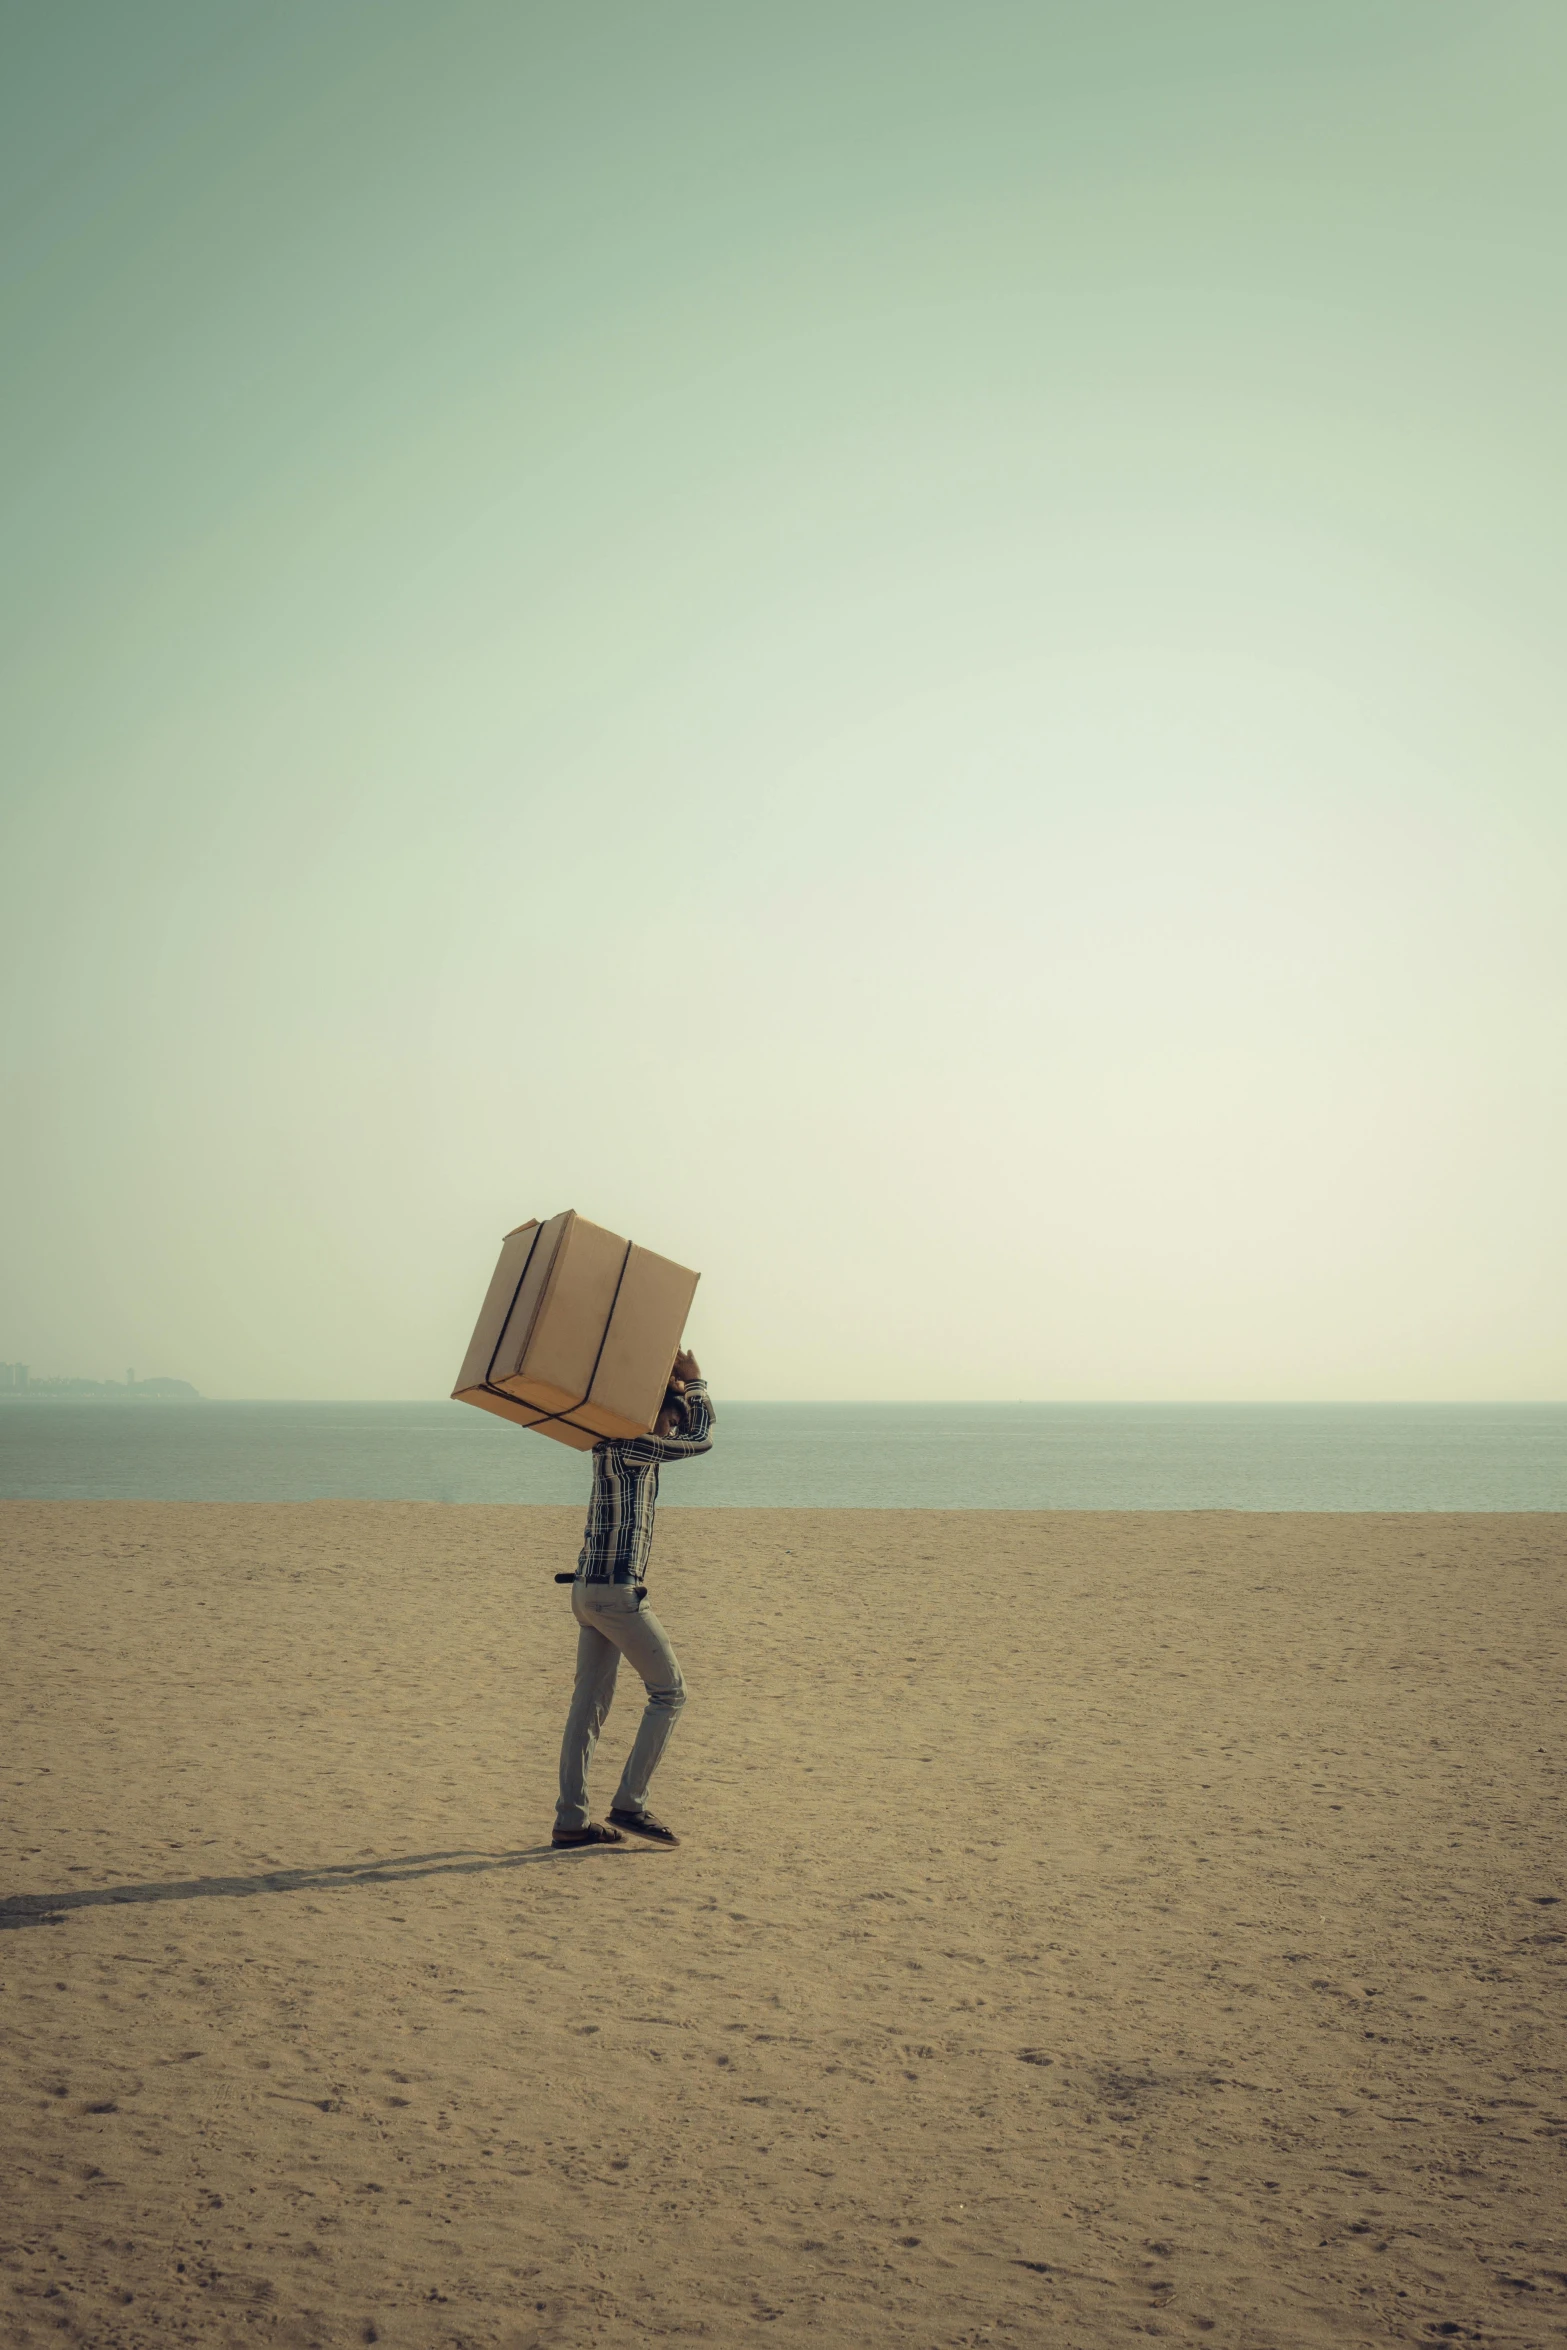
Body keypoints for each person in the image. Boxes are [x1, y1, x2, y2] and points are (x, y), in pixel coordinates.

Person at [551, 1348, 713, 1849]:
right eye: (669, 1419)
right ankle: (630, 1805)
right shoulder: (635, 1445)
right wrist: (697, 1381)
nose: (671, 1430)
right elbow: (701, 1440)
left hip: (585, 1591)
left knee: (588, 1708)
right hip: (616, 1595)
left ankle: (572, 1822)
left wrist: (669, 1383)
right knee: (670, 1693)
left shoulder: (606, 1443)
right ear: (654, 1415)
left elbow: (681, 1433)